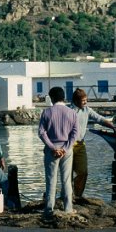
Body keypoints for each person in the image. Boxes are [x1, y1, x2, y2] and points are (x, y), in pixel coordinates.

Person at [69, 88, 116, 200]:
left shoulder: (87, 110)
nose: (85, 102)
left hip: (80, 144)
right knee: (68, 173)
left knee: (83, 172)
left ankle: (77, 195)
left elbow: (100, 119)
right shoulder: (68, 110)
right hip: (68, 145)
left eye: (86, 100)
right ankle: (68, 195)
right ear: (76, 101)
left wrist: (113, 126)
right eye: (83, 101)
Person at [38, 86, 79, 215]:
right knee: (66, 180)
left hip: (52, 150)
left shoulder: (46, 112)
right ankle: (68, 208)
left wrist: (53, 147)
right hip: (67, 149)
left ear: (52, 98)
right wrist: (65, 148)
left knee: (51, 180)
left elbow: (41, 133)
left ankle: (49, 209)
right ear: (63, 97)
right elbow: (75, 133)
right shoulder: (72, 112)